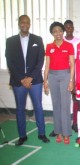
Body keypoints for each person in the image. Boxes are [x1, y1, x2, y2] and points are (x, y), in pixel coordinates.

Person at [5, 15, 50, 146]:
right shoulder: (10, 41)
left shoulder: (37, 39)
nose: (25, 24)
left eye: (27, 22)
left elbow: (40, 60)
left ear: (30, 24)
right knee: (20, 109)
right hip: (18, 81)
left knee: (38, 107)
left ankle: (42, 133)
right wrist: (21, 78)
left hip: (35, 80)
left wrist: (30, 77)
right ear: (19, 24)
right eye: (22, 22)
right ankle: (22, 135)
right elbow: (10, 62)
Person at [44, 22, 74, 144]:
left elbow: (72, 64)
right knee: (56, 105)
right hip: (52, 76)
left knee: (65, 105)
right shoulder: (49, 46)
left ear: (63, 32)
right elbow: (47, 65)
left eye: (60, 31)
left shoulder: (69, 45)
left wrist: (71, 80)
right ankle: (58, 132)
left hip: (65, 75)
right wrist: (45, 81)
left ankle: (66, 133)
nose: (58, 33)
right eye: (55, 31)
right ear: (52, 33)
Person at [63, 20, 80, 134]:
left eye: (71, 27)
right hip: (63, 73)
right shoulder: (60, 40)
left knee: (76, 100)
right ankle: (62, 125)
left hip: (76, 73)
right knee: (63, 100)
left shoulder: (78, 41)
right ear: (64, 28)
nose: (69, 28)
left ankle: (75, 123)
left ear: (73, 28)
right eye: (67, 27)